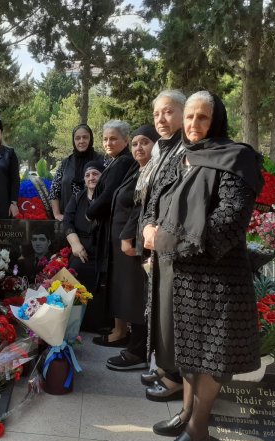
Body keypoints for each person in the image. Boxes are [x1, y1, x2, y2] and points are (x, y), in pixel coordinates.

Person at [142, 91, 263, 441]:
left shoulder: (237, 158)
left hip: (217, 278)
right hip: (181, 277)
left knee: (209, 357)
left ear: (217, 120)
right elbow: (155, 199)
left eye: (203, 118)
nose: (193, 125)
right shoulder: (185, 157)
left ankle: (199, 431)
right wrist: (149, 227)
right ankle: (185, 414)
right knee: (188, 352)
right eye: (190, 117)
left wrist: (166, 239)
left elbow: (228, 222)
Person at [135, 90, 188, 402]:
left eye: (168, 112)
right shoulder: (162, 151)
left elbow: (179, 201)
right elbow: (153, 199)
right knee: (158, 309)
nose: (161, 119)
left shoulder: (186, 150)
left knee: (172, 313)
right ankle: (164, 365)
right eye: (157, 114)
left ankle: (175, 376)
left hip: (174, 245)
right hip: (156, 243)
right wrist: (147, 226)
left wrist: (158, 228)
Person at [102, 125, 160, 369]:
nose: (138, 147)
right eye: (135, 143)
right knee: (132, 296)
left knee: (138, 297)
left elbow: (142, 210)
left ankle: (138, 351)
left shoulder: (154, 171)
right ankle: (133, 344)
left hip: (137, 246)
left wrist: (128, 238)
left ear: (155, 146)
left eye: (144, 142)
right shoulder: (138, 170)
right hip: (127, 245)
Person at [86, 120, 134, 337]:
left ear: (126, 140)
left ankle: (120, 331)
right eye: (105, 139)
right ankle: (118, 327)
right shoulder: (115, 161)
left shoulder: (123, 162)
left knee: (118, 280)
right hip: (110, 226)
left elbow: (108, 195)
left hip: (116, 227)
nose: (108, 142)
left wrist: (90, 212)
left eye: (113, 138)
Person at [63, 160, 103, 330]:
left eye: (95, 174)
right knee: (76, 267)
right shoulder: (77, 197)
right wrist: (75, 244)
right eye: (87, 175)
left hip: (101, 247)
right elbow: (67, 221)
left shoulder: (107, 196)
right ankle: (75, 322)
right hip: (80, 246)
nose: (91, 178)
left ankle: (97, 324)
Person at [50, 124, 104, 220]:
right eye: (77, 138)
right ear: (73, 140)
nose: (81, 141)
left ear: (90, 139)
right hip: (68, 220)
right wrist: (57, 214)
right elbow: (54, 191)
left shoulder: (102, 161)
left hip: (95, 220)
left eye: (85, 137)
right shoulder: (65, 163)